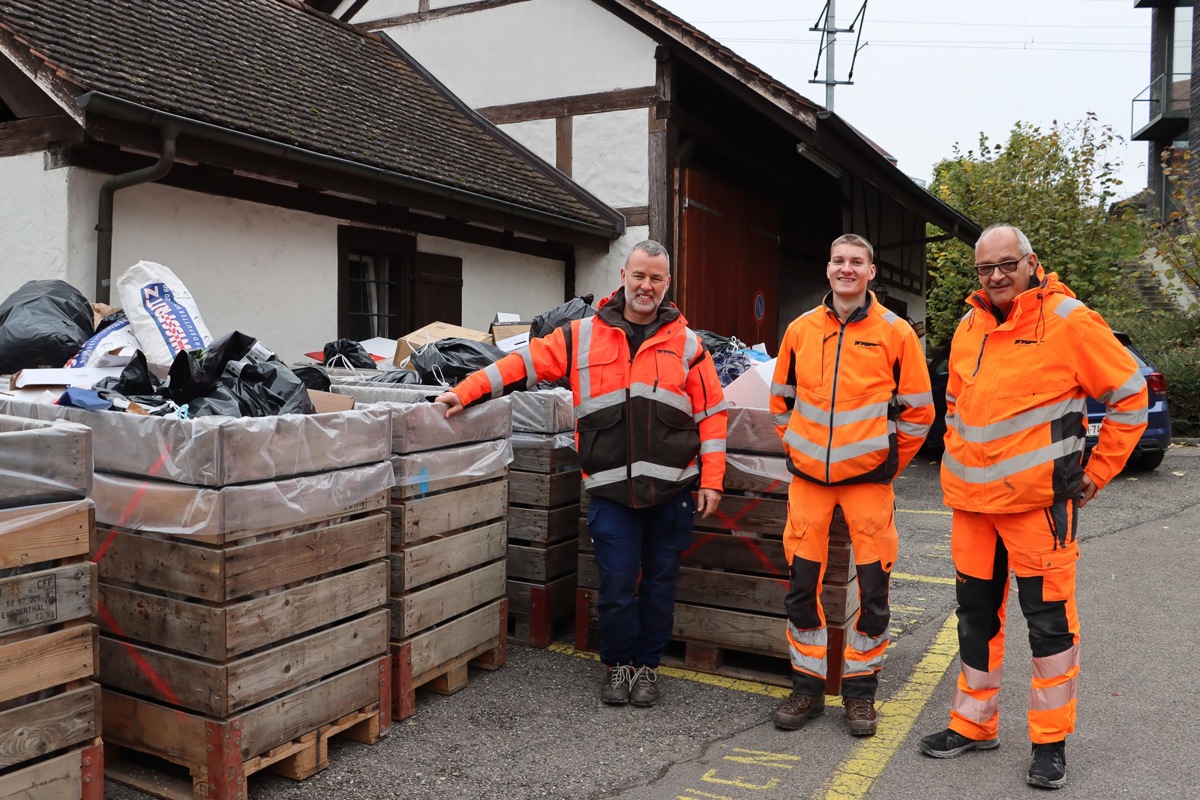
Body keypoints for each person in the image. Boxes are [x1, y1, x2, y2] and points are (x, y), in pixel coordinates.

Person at [436, 240, 727, 708]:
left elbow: (712, 413)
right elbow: (522, 364)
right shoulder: (581, 336)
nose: (645, 286)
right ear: (623, 277)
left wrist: (712, 479)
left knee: (658, 587)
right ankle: (617, 666)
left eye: (656, 278)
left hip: (672, 492)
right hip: (611, 490)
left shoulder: (688, 345)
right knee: (614, 585)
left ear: (667, 284)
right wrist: (464, 392)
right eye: (638, 275)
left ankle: (647, 667)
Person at [918, 225, 1148, 789]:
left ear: (1031, 262)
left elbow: (1130, 395)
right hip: (971, 509)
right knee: (975, 619)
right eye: (985, 268)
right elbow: (954, 404)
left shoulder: (1070, 321)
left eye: (1006, 264)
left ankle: (1050, 742)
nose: (995, 276)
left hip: (1038, 511)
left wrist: (1095, 475)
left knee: (1048, 628)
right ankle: (974, 724)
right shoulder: (970, 324)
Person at [768, 233, 933, 737]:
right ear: (828, 268)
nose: (847, 269)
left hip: (868, 485)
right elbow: (781, 402)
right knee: (801, 591)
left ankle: (861, 694)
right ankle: (807, 687)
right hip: (809, 484)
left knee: (875, 592)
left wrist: (886, 464)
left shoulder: (896, 333)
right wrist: (800, 450)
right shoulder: (799, 330)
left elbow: (920, 412)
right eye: (839, 260)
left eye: (856, 262)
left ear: (870, 271)